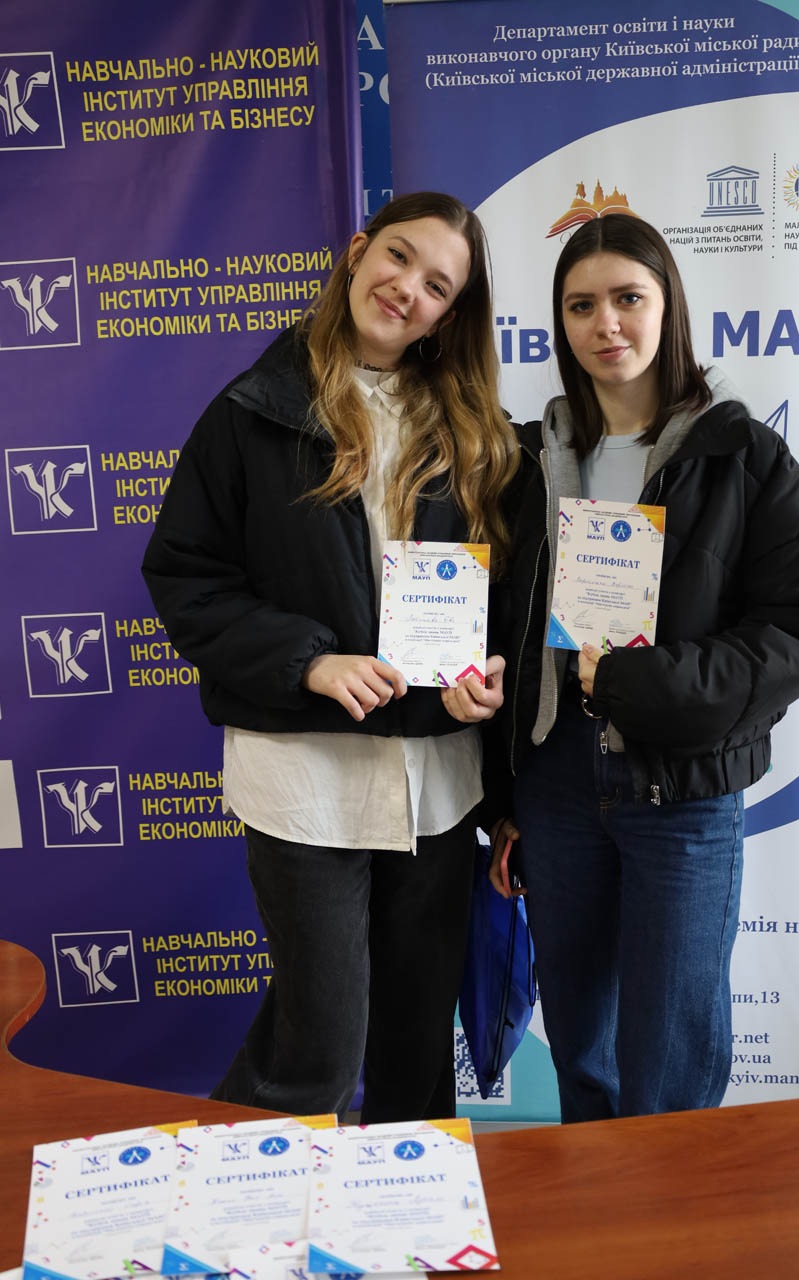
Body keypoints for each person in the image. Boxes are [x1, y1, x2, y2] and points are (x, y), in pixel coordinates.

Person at [141, 191, 519, 1123]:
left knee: (416, 1045)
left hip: (435, 781)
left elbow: (503, 596)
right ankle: (237, 1198)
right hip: (305, 779)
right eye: (398, 257)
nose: (407, 289)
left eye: (438, 286)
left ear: (450, 315)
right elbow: (185, 577)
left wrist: (485, 675)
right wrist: (310, 661)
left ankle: (414, 1206)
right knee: (317, 1048)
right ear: (357, 251)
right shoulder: (251, 413)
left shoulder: (473, 432)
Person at [488, 213, 799, 1123]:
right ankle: (599, 1206)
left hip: (680, 790)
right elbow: (499, 631)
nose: (605, 323)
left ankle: (670, 1213)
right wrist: (502, 795)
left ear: (667, 307)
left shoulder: (741, 455)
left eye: (627, 298)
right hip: (556, 790)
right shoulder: (524, 462)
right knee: (582, 1047)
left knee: (671, 1064)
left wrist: (645, 687)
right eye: (580, 305)